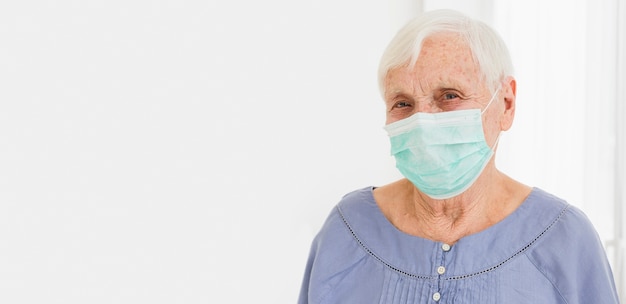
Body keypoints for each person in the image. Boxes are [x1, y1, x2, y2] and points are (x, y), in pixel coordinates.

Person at [298, 9, 619, 304]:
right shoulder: (346, 231)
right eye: (403, 103)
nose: (422, 122)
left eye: (449, 96)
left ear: (506, 104)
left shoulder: (565, 241)